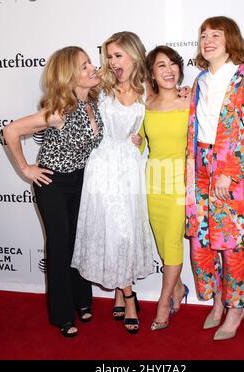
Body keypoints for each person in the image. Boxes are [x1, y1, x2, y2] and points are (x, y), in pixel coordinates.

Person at [3, 46, 104, 337]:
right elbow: (10, 131)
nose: (92, 68)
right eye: (84, 66)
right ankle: (62, 315)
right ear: (69, 77)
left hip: (81, 180)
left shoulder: (93, 102)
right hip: (54, 184)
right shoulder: (59, 111)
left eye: (89, 63)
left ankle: (82, 300)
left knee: (79, 243)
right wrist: (26, 168)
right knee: (60, 247)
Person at [185, 16, 244, 340]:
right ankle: (218, 299)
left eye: (215, 35)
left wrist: (230, 173)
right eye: (203, 35)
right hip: (198, 167)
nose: (207, 40)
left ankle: (236, 307)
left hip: (229, 169)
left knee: (232, 244)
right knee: (200, 241)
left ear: (230, 39)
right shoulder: (200, 81)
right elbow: (194, 128)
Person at [71, 31, 154, 334]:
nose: (111, 61)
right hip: (102, 166)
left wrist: (140, 139)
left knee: (126, 232)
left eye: (118, 55)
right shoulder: (101, 87)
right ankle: (130, 296)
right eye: (108, 56)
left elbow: (152, 128)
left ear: (134, 55)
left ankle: (121, 290)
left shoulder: (149, 90)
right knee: (114, 231)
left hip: (130, 168)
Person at [139, 46, 190, 331]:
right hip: (153, 181)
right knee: (162, 243)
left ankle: (163, 302)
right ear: (152, 74)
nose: (168, 70)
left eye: (172, 64)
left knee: (171, 243)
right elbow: (144, 144)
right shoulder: (146, 106)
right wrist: (137, 142)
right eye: (161, 66)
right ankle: (179, 288)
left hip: (180, 183)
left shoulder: (191, 102)